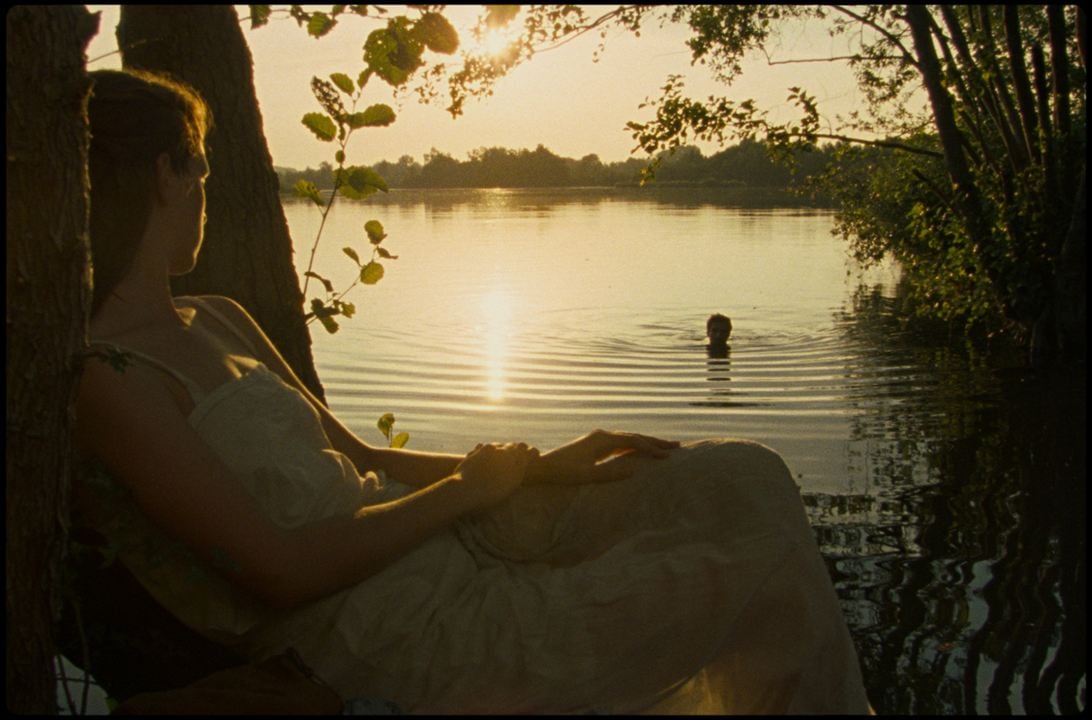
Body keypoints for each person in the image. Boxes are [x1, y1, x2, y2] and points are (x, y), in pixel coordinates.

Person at [74, 69, 872, 714]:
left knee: (747, 476)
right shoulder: (112, 376)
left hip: (442, 537)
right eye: (203, 164)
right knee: (757, 572)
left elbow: (357, 455)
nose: (208, 185)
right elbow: (277, 572)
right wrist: (465, 490)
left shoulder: (217, 316)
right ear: (165, 176)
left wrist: (545, 468)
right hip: (392, 630)